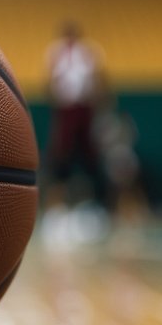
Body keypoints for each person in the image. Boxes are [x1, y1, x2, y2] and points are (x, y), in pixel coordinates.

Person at [42, 21, 108, 211]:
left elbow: (98, 79)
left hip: (85, 109)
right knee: (61, 156)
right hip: (65, 110)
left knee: (90, 156)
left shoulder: (89, 52)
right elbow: (49, 80)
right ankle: (57, 205)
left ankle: (96, 203)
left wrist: (96, 103)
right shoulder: (55, 53)